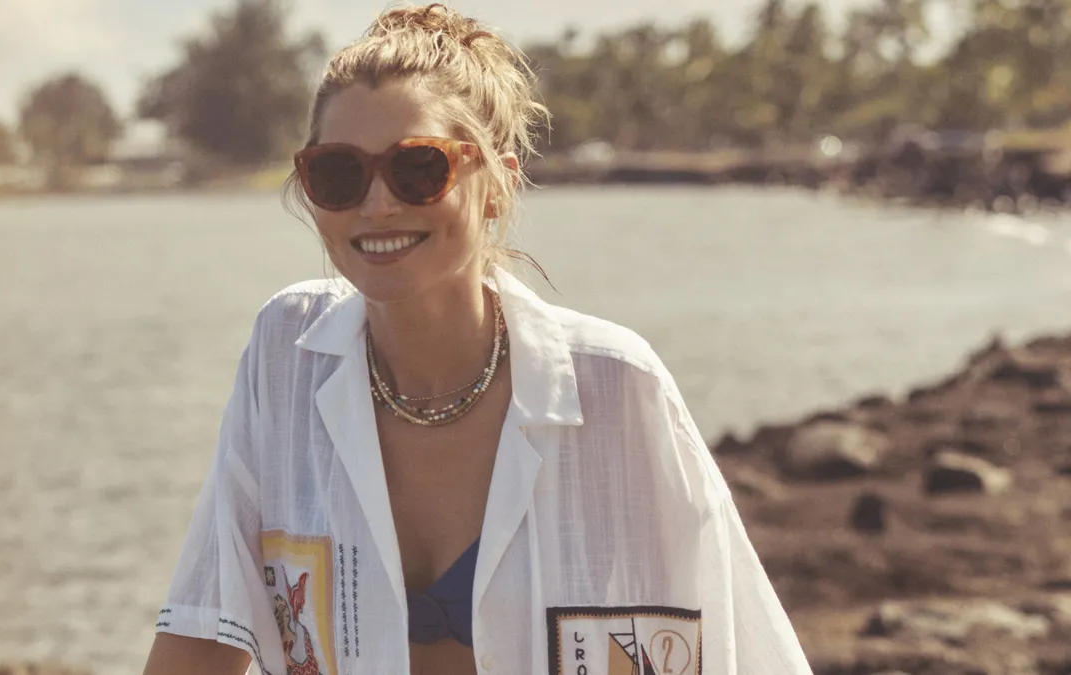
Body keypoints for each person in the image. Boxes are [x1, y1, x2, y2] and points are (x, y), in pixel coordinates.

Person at [142, 4, 811, 675]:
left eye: (418, 168)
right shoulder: (287, 357)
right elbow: (205, 629)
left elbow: (740, 642)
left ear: (497, 183)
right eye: (340, 173)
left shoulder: (613, 387)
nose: (377, 204)